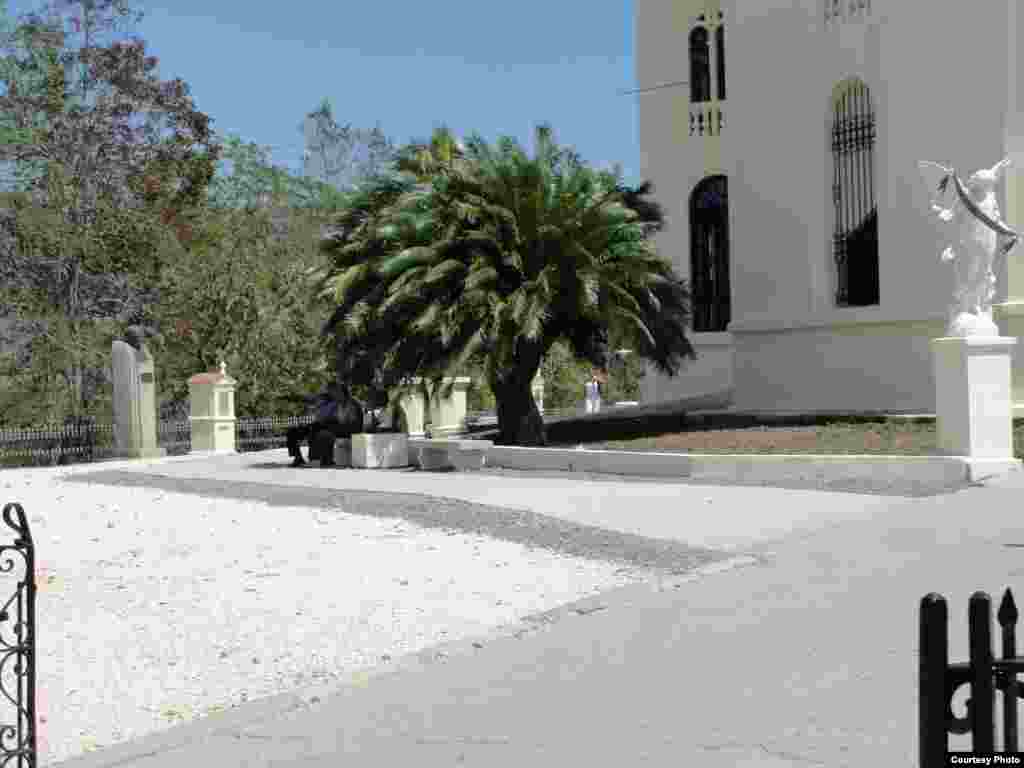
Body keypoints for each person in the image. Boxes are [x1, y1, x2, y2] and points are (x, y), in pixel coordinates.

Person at [287, 383, 362, 467]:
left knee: (321, 432)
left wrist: (329, 422)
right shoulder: (336, 403)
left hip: (349, 430)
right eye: (332, 392)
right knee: (295, 431)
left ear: (343, 392)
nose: (333, 395)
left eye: (335, 392)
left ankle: (316, 459)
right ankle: (301, 458)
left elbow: (351, 422)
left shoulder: (352, 403)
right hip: (335, 427)